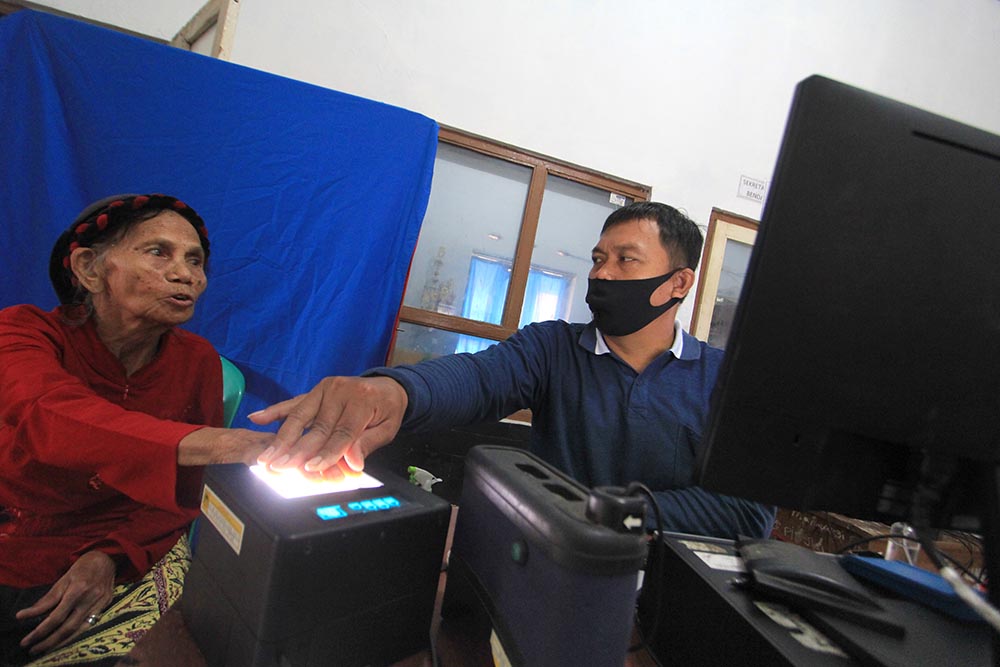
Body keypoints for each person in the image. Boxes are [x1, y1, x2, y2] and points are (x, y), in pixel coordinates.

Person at [252, 201, 774, 539]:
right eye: (597, 258)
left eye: (625, 260)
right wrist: (394, 391)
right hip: (547, 576)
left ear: (678, 283)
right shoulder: (553, 348)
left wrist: (614, 513)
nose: (601, 273)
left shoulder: (721, 381)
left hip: (666, 606)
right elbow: (478, 378)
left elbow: (750, 512)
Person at [0, 194, 274, 665]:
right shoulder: (22, 332)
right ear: (89, 268)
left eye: (195, 260)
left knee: (183, 642)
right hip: (19, 541)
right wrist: (218, 442)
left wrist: (111, 556)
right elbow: (44, 412)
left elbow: (187, 494)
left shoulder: (197, 362)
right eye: (158, 252)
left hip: (131, 547)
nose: (186, 274)